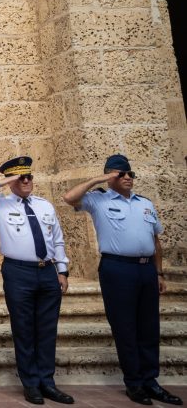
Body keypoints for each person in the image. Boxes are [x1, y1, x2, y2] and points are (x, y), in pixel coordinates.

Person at [62, 155, 182, 406]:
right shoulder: (99, 200)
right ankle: (134, 383)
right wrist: (98, 179)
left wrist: (159, 273)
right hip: (118, 269)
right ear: (110, 176)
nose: (127, 177)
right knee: (125, 327)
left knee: (149, 328)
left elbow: (155, 241)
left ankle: (151, 381)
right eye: (121, 174)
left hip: (146, 270)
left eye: (130, 174)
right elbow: (69, 198)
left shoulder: (145, 204)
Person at [0, 156, 72, 406]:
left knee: (47, 329)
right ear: (12, 180)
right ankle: (31, 383)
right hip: (18, 272)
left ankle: (48, 382)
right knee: (23, 328)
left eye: (29, 176)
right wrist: (2, 183)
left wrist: (63, 270)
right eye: (20, 177)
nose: (26, 181)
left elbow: (57, 239)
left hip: (47, 271)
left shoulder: (44, 205)